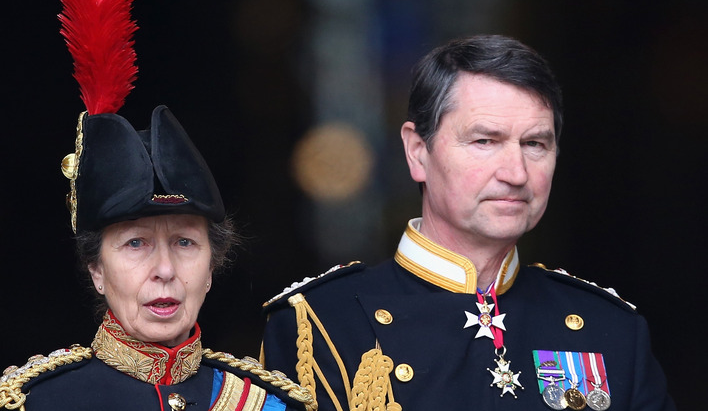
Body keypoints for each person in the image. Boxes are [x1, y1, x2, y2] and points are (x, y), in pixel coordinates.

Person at [260, 35, 675, 411]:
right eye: (484, 141)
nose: (516, 172)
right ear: (418, 151)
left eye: (534, 144)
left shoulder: (612, 331)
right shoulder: (322, 326)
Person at [0, 0, 314, 411]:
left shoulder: (267, 405)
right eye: (135, 243)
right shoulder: (34, 403)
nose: (164, 269)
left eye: (185, 243)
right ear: (96, 269)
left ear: (211, 267)